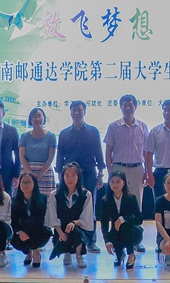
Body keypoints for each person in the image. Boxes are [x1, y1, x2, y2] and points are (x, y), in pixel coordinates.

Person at [56, 100, 106, 253]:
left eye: (79, 110)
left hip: (89, 174)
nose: (76, 113)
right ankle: (71, 239)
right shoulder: (64, 133)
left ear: (85, 111)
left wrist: (100, 174)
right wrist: (60, 175)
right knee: (70, 206)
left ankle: (91, 241)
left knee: (90, 208)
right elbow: (60, 156)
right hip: (70, 176)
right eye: (73, 110)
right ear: (70, 112)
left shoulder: (93, 131)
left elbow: (98, 153)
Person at [104, 94, 149, 252]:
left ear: (135, 106)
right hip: (119, 168)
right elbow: (108, 150)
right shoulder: (113, 126)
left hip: (137, 168)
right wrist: (110, 172)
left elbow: (146, 151)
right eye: (125, 105)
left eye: (130, 105)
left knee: (136, 203)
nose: (128, 108)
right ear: (120, 107)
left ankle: (136, 239)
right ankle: (117, 237)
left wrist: (146, 171)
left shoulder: (142, 126)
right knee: (117, 203)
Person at [46, 162, 93, 268]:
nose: (70, 178)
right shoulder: (55, 195)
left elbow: (86, 218)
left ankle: (79, 255)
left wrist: (74, 223)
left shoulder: (86, 195)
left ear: (78, 177)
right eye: (67, 175)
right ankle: (66, 252)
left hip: (80, 230)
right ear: (62, 177)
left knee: (75, 231)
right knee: (64, 235)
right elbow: (53, 217)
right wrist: (60, 233)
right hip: (61, 229)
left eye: (73, 175)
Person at [100, 171, 144, 269]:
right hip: (116, 232)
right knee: (113, 233)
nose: (115, 185)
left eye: (118, 181)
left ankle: (131, 254)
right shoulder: (105, 200)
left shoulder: (131, 198)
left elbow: (139, 219)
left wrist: (123, 219)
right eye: (112, 182)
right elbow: (104, 223)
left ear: (124, 182)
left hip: (133, 233)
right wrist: (107, 241)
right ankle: (119, 254)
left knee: (125, 226)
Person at [10, 173, 53, 268]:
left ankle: (35, 251)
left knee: (31, 223)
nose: (25, 185)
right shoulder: (15, 201)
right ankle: (28, 252)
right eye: (23, 182)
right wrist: (19, 231)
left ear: (34, 184)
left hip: (39, 231)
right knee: (16, 235)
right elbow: (13, 220)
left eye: (29, 182)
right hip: (23, 231)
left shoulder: (43, 199)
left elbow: (40, 220)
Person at [19, 107, 57, 196]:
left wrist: (40, 174)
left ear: (44, 118)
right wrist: (30, 174)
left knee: (46, 200)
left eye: (39, 116)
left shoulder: (51, 136)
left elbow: (50, 158)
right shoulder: (24, 136)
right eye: (34, 117)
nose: (37, 119)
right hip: (27, 172)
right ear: (30, 120)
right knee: (26, 198)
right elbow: (22, 157)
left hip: (45, 172)